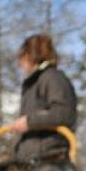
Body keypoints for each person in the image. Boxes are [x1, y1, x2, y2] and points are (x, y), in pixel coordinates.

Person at [7, 33, 77, 162]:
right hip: (31, 160)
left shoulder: (52, 78)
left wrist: (29, 122)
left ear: (29, 56)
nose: (20, 64)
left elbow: (64, 113)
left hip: (49, 160)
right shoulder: (34, 82)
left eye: (21, 58)